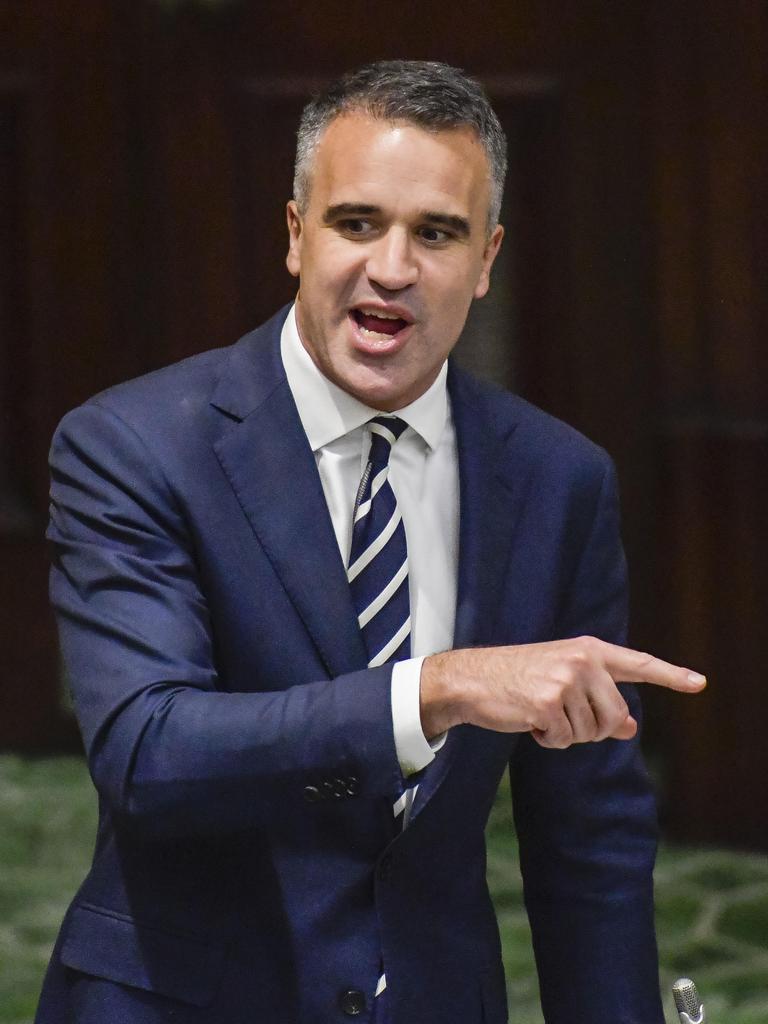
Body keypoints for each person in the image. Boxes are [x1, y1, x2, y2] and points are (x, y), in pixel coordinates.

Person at [36, 60, 705, 1024]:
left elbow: (588, 834)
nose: (392, 267)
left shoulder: (559, 480)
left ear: (486, 260)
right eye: (357, 223)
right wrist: (437, 690)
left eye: (436, 233)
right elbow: (148, 753)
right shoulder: (134, 445)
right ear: (297, 235)